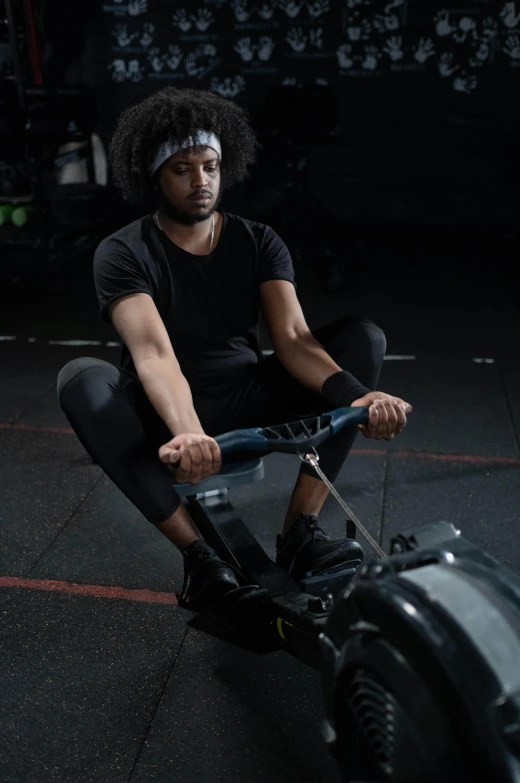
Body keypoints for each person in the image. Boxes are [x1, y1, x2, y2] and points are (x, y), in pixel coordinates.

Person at [57, 87, 412, 611]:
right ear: (156, 176)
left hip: (247, 398)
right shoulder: (123, 252)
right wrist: (188, 431)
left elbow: (293, 339)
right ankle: (200, 559)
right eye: (182, 169)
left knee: (363, 338)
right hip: (167, 418)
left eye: (210, 166)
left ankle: (300, 536)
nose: (201, 181)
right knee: (82, 379)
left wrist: (360, 396)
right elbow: (155, 355)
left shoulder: (258, 240)